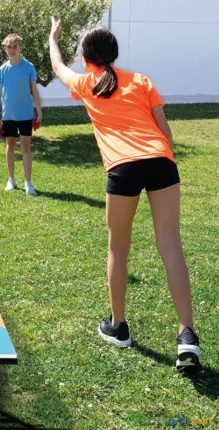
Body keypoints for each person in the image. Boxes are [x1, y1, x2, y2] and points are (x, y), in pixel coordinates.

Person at [49, 18, 201, 370]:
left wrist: (53, 37)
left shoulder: (86, 83)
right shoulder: (142, 80)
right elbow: (164, 130)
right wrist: (166, 160)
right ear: (113, 54)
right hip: (161, 160)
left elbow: (57, 66)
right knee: (171, 245)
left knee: (118, 248)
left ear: (85, 57)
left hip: (123, 167)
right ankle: (187, 337)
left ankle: (118, 327)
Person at [0, 33, 42, 195]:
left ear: (21, 48)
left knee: (26, 148)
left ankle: (28, 182)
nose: (12, 50)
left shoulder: (29, 67)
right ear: (5, 49)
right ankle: (11, 180)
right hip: (8, 115)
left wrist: (39, 112)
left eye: (15, 47)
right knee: (10, 146)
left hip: (26, 115)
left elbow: (34, 91)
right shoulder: (2, 70)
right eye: (9, 47)